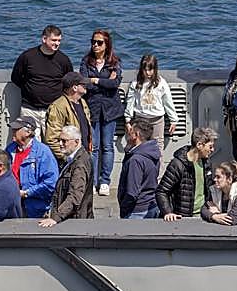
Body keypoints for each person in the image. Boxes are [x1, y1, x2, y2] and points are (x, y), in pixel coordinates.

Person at [81, 29, 123, 196]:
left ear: (107, 45)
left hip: (110, 110)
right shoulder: (86, 61)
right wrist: (105, 81)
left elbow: (115, 84)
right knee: (94, 147)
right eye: (93, 42)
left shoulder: (115, 62)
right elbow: (84, 83)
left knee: (107, 146)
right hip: (92, 108)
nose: (95, 45)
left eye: (99, 42)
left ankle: (105, 181)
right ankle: (93, 180)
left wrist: (96, 80)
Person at [10, 25, 74, 131]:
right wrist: (29, 89)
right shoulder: (27, 57)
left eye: (59, 40)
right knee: (29, 143)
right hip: (29, 109)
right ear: (44, 39)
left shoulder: (63, 60)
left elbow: (69, 82)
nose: (57, 43)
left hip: (54, 110)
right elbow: (16, 77)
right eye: (54, 40)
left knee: (53, 144)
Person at [156, 127, 218, 220]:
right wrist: (168, 212)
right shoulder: (178, 164)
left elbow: (208, 188)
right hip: (183, 218)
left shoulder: (207, 163)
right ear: (199, 145)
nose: (212, 150)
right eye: (210, 146)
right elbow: (161, 191)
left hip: (203, 216)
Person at [4, 116, 58, 218]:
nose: (12, 131)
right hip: (11, 206)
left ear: (28, 132)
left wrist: (26, 193)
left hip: (35, 209)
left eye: (16, 129)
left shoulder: (43, 152)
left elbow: (50, 184)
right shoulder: (9, 149)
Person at [38, 126, 95, 226]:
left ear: (76, 142)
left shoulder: (80, 164)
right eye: (59, 140)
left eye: (64, 141)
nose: (60, 144)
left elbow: (75, 196)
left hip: (74, 223)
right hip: (71, 220)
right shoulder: (71, 159)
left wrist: (56, 218)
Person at [117, 116, 167, 220]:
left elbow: (132, 192)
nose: (127, 134)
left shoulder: (136, 160)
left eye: (130, 131)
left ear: (136, 135)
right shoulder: (153, 152)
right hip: (151, 206)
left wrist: (124, 207)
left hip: (136, 212)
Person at [125, 54, 179, 142]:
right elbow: (130, 102)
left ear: (155, 69)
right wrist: (128, 119)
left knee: (158, 143)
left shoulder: (161, 83)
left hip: (157, 119)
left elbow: (168, 101)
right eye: (145, 70)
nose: (147, 73)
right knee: (140, 143)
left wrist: (173, 120)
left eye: (150, 70)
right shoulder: (135, 83)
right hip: (140, 118)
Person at [44, 72, 92, 164]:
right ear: (74, 88)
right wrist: (66, 158)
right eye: (83, 84)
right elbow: (51, 138)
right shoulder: (58, 106)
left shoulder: (83, 103)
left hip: (82, 156)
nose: (86, 85)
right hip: (69, 160)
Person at [202, 161, 237, 225]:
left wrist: (216, 214)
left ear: (229, 179)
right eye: (215, 176)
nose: (215, 179)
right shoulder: (215, 191)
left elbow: (233, 218)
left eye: (218, 177)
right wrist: (213, 216)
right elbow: (204, 209)